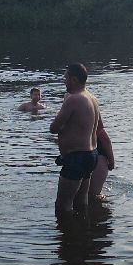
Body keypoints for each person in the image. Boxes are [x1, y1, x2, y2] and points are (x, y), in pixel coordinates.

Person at [49, 63, 101, 219]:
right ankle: (84, 234)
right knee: (81, 200)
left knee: (62, 205)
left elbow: (54, 127)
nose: (64, 81)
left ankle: (68, 240)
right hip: (91, 154)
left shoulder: (74, 99)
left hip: (77, 157)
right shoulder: (92, 97)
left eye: (66, 78)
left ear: (74, 79)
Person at [89, 118, 115, 200]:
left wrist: (111, 162)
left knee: (91, 196)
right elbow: (105, 139)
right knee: (93, 195)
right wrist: (111, 162)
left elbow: (105, 139)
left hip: (96, 158)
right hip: (96, 159)